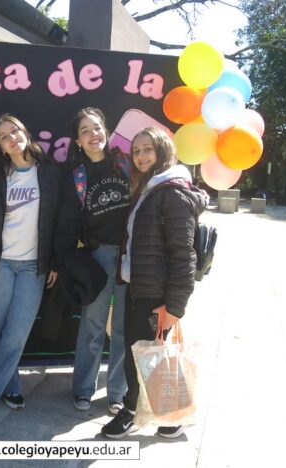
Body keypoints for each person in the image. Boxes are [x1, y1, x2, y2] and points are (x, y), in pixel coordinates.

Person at [101, 127, 208, 440]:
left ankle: (135, 411)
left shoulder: (171, 193)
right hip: (138, 286)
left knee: (148, 356)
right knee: (147, 354)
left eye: (147, 149)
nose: (141, 155)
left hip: (154, 292)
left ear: (162, 150)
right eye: (136, 151)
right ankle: (169, 416)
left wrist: (175, 306)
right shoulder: (150, 188)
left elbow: (183, 254)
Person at [0, 114, 68, 419]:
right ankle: (11, 386)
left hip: (34, 266)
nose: (12, 138)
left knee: (16, 334)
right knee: (1, 331)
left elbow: (59, 222)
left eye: (15, 131)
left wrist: (55, 262)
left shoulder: (50, 172)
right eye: (4, 137)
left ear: (25, 132)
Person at [64, 108, 131, 414]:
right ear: (78, 141)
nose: (93, 135)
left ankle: (117, 392)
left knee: (123, 328)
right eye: (85, 131)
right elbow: (68, 221)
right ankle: (83, 389)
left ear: (106, 130)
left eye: (97, 127)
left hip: (129, 254)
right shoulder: (77, 176)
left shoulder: (125, 163)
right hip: (98, 255)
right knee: (92, 327)